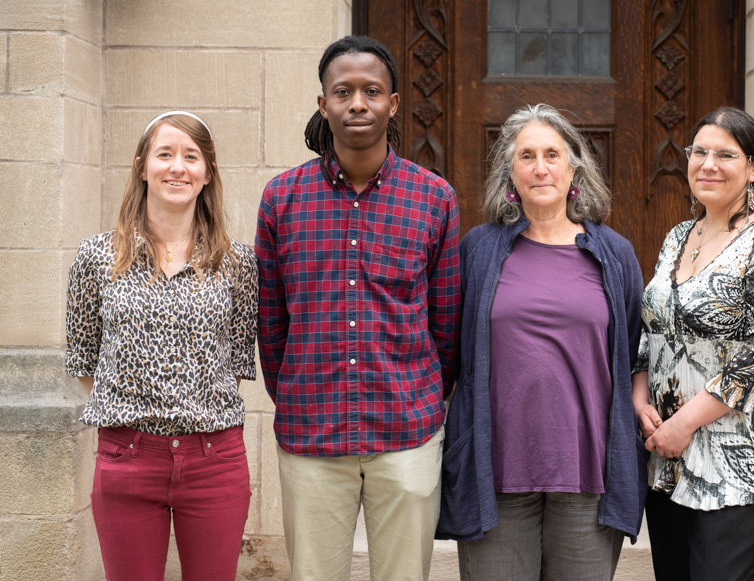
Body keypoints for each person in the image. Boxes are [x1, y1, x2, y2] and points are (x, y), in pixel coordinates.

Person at [255, 35, 460, 581]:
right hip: (311, 432)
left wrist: (422, 393)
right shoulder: (282, 199)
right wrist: (296, 388)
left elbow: (445, 321)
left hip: (406, 432)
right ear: (323, 104)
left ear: (393, 103)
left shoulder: (433, 198)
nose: (357, 104)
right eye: (342, 92)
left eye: (372, 91)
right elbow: (270, 322)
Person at [437, 104, 645, 581]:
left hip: (588, 470)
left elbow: (634, 350)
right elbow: (450, 350)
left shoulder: (613, 253)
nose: (540, 167)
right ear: (510, 174)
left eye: (552, 154)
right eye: (526, 156)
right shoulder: (478, 249)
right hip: (496, 471)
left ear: (575, 169)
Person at [65, 111, 256, 581]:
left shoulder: (238, 264)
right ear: (141, 167)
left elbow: (235, 361)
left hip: (215, 462)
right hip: (128, 459)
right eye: (164, 154)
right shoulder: (96, 258)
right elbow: (84, 358)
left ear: (207, 173)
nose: (177, 167)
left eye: (191, 156)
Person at [631, 107, 754, 581]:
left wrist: (682, 424)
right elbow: (654, 327)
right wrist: (639, 395)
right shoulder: (678, 237)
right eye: (699, 152)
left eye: (725, 154)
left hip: (742, 462)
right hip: (668, 461)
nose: (708, 164)